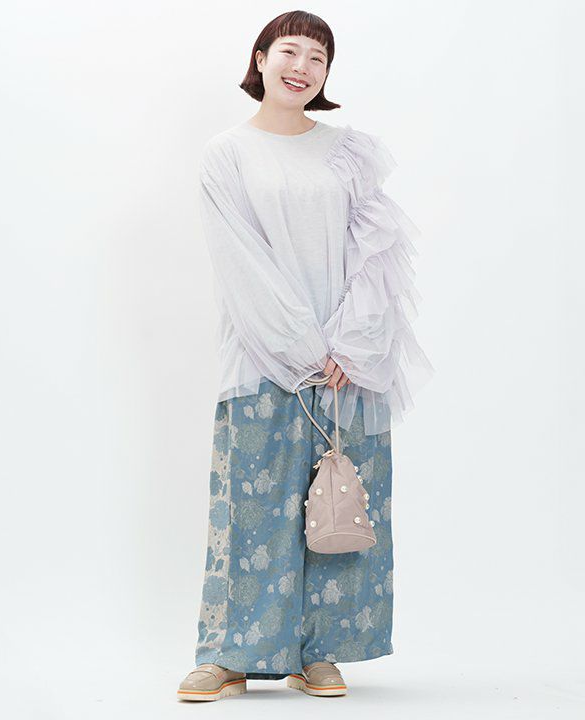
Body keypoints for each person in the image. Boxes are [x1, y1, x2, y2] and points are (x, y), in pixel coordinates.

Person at [177, 10, 434, 702]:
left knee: (337, 506)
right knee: (251, 508)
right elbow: (241, 261)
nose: (302, 66)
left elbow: (376, 255)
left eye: (318, 57)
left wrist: (351, 344)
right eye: (289, 50)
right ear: (260, 57)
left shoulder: (346, 151)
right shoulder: (227, 153)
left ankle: (319, 652)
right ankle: (229, 655)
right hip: (263, 358)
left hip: (348, 366)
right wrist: (304, 348)